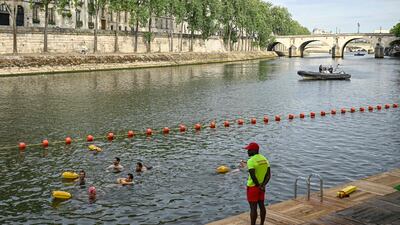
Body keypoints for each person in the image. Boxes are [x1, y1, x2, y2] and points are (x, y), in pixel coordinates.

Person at [243, 142, 271, 225]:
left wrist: (258, 186)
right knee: (262, 206)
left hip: (253, 187)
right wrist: (263, 185)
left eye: (249, 150)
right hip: (262, 187)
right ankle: (262, 223)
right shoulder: (265, 159)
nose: (247, 152)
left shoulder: (251, 161)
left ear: (254, 150)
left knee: (253, 208)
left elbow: (253, 176)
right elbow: (268, 175)